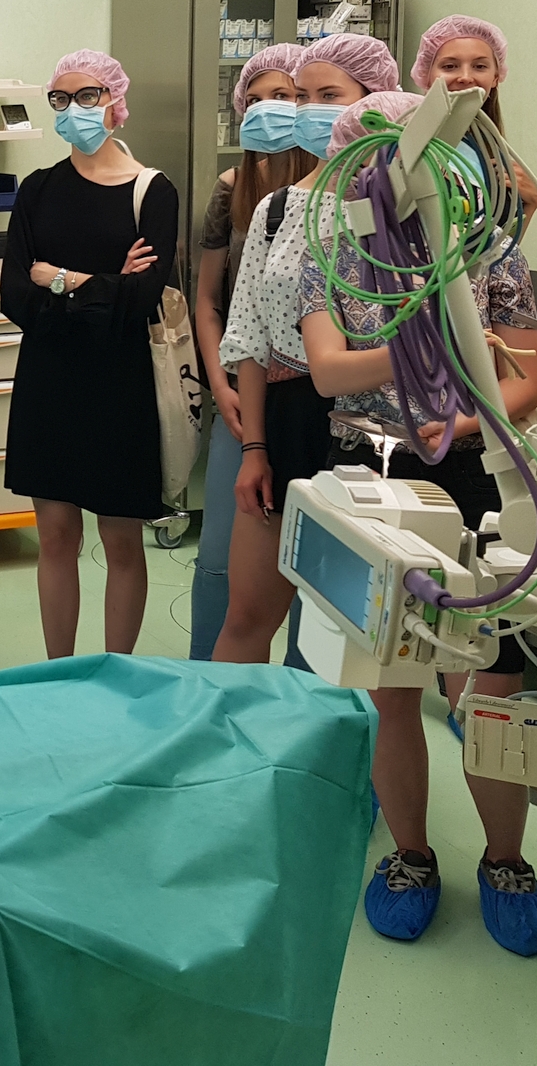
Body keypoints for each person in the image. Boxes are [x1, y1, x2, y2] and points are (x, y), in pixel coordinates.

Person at [296, 91, 537, 955]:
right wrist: (424, 355)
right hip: (370, 475)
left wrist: (456, 421)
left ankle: (507, 860)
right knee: (389, 681)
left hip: (474, 470)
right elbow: (328, 372)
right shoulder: (332, 252)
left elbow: (523, 382)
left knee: (488, 688)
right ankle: (411, 855)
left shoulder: (490, 251)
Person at [213, 32, 400, 663]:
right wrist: (254, 448)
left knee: (355, 639)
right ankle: (227, 727)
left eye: (329, 96)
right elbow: (249, 339)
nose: (311, 111)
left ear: (375, 103)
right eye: (301, 97)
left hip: (375, 426)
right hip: (290, 416)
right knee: (248, 616)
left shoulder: (405, 208)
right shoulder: (277, 210)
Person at [1, 49, 178, 658]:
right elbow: (15, 295)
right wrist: (106, 285)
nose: (73, 108)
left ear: (115, 102)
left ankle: (116, 670)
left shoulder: (152, 191)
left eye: (87, 95)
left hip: (121, 382)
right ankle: (59, 669)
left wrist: (62, 280)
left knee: (121, 539)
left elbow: (143, 300)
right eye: (61, 98)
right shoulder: (38, 189)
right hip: (49, 378)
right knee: (55, 536)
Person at [190, 44, 314, 661]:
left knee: (317, 571)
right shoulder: (233, 189)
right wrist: (222, 384)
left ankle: (303, 693)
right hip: (242, 393)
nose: (271, 109)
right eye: (258, 99)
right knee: (223, 558)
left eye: (286, 97)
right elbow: (209, 300)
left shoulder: (339, 193)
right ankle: (208, 688)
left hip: (314, 394)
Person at [410, 13, 537, 224]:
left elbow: (501, 243)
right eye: (449, 66)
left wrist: (532, 203)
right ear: (427, 75)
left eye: (480, 66)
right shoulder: (406, 146)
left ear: (495, 77)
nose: (465, 77)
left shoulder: (491, 155)